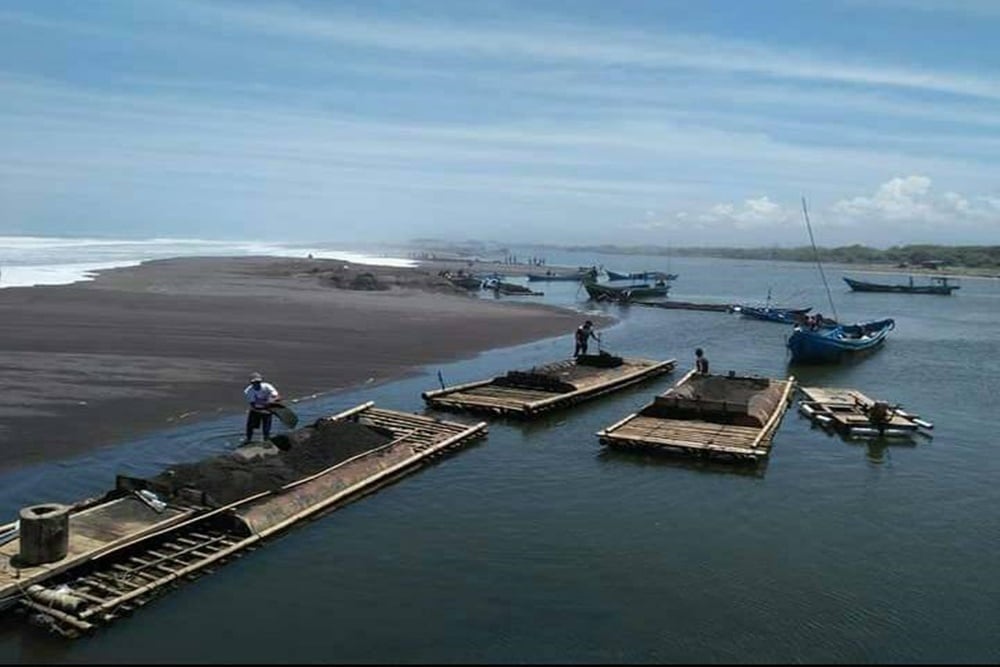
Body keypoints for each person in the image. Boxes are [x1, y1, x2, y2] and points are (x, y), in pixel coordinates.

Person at [244, 371, 281, 444]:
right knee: (250, 426)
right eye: (254, 383)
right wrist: (265, 405)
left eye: (258, 382)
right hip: (256, 410)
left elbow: (277, 396)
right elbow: (253, 404)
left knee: (266, 428)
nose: (256, 384)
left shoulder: (267, 386)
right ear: (251, 383)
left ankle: (266, 440)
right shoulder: (248, 391)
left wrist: (272, 401)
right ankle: (248, 440)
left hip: (268, 409)